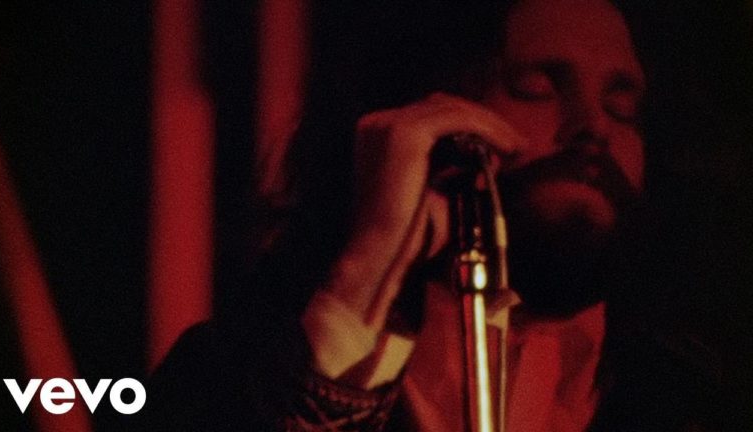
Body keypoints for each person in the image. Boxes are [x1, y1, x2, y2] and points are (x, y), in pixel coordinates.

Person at [140, 0, 732, 430]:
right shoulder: (229, 373)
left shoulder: (697, 395)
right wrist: (361, 284)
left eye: (623, 107)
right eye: (536, 87)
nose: (593, 127)